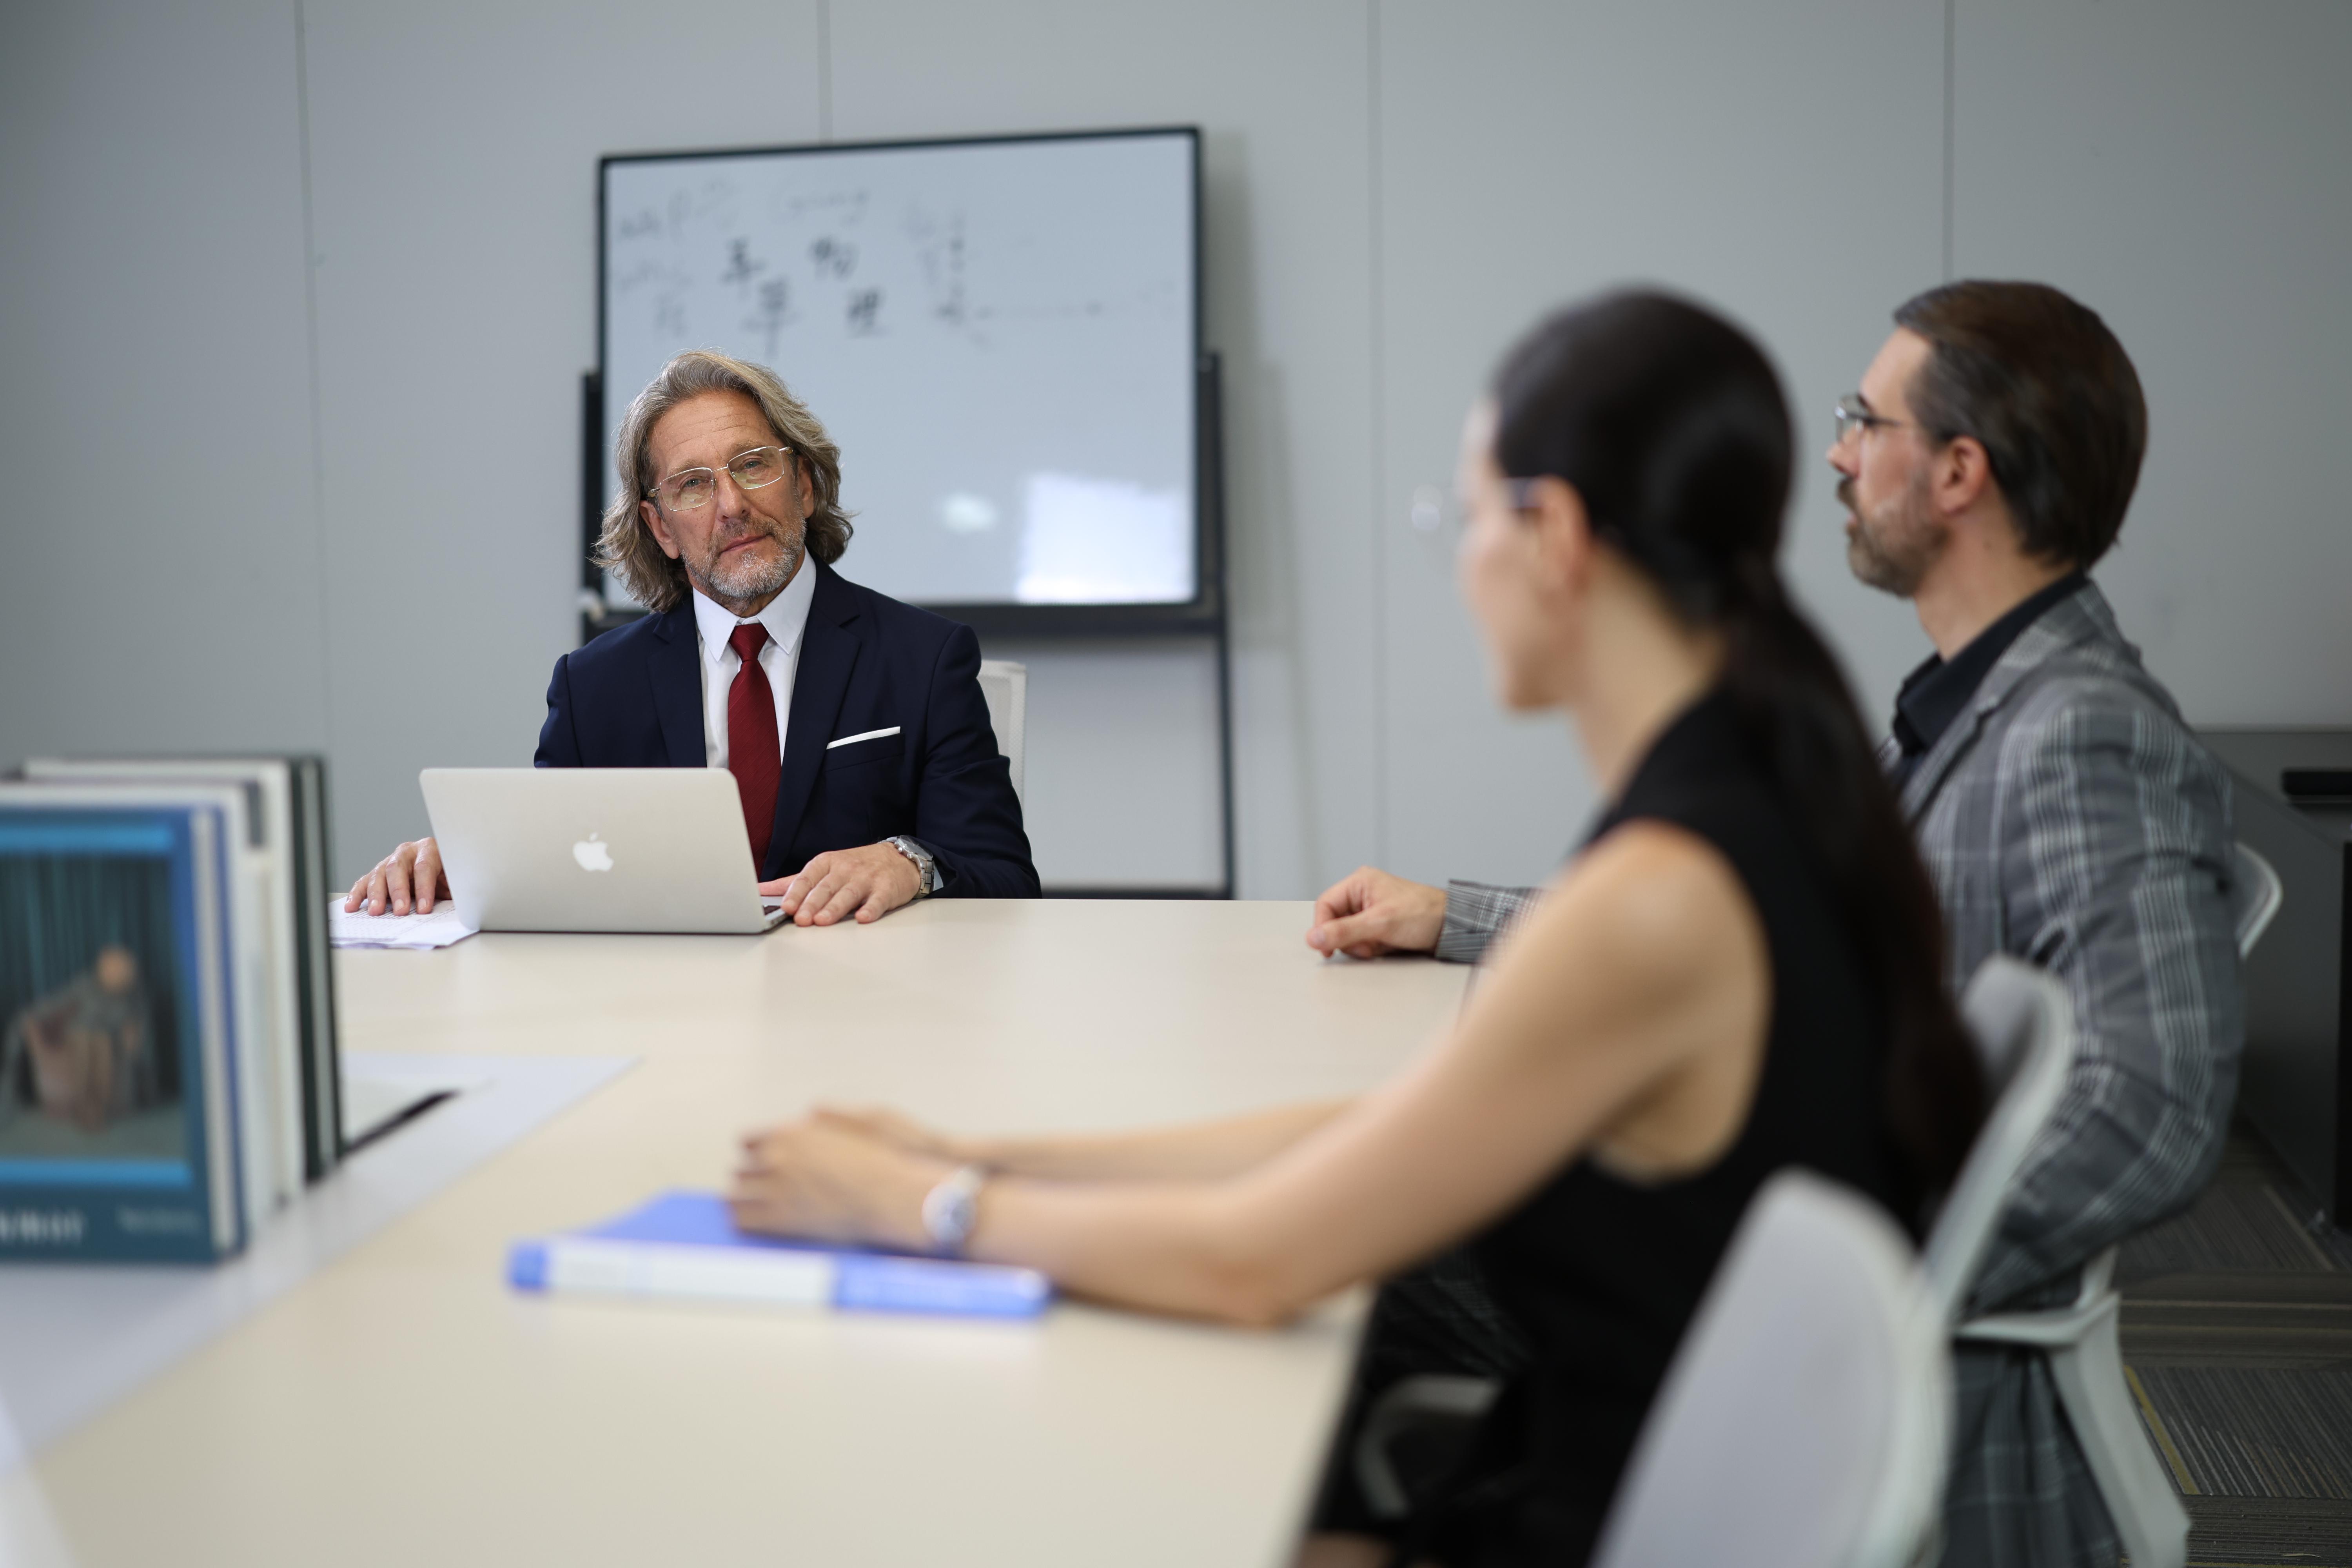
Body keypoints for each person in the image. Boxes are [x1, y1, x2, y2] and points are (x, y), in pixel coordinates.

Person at [720, 293, 1985, 1567]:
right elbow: (1389, 1125)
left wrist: (921, 1205)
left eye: (1463, 519)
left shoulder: (1656, 900)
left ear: (1553, 535)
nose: (1461, 563)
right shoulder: (1749, 789)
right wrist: (974, 1152)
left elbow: (1252, 1265)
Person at [1312, 281, 2243, 1565]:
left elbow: (2157, 1102)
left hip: (1806, 1328)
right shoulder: (1962, 708)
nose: (1841, 455)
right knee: (1384, 1227)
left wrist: (1853, 1282)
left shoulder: (2082, 732)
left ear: (1959, 472)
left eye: (1868, 421)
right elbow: (1739, 930)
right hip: (1759, 1245)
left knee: (1377, 1271)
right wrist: (1457, 917)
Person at [347, 350, 1037, 924]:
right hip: (666, 1014)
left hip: (865, 1007)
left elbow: (1004, 875)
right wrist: (460, 864)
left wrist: (910, 863)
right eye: (692, 486)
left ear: (803, 484)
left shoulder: (925, 659)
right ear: (661, 529)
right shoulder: (593, 688)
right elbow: (554, 867)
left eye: (753, 464)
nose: (732, 505)